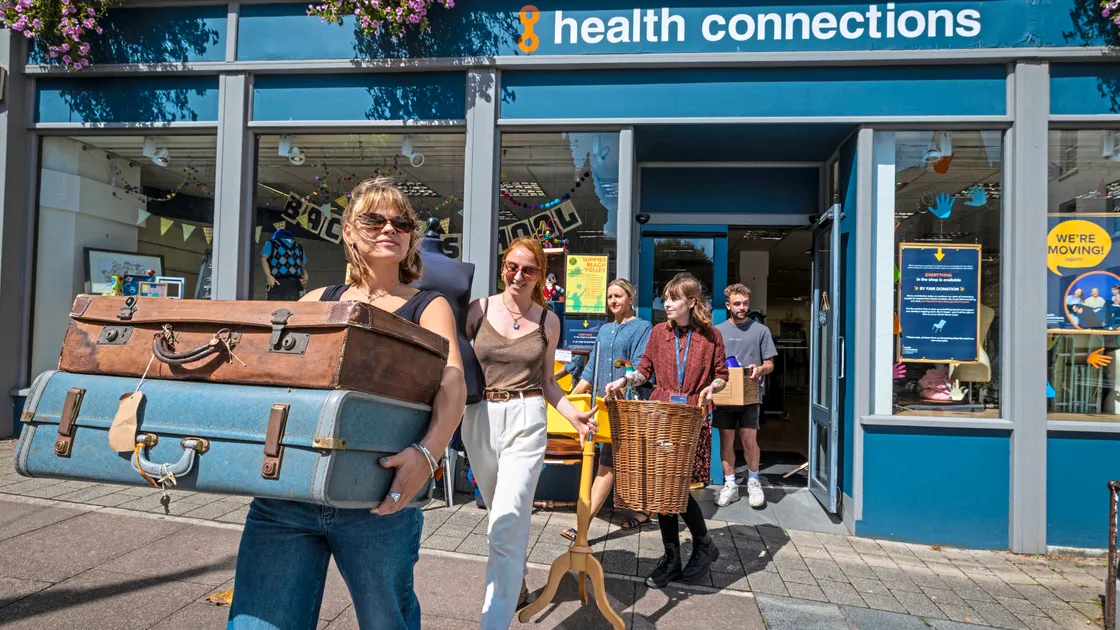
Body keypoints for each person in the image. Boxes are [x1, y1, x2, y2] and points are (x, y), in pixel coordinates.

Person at [228, 178, 467, 630]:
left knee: (386, 623)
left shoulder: (428, 305)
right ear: (349, 231)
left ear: (412, 237)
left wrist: (427, 454)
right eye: (374, 219)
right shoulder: (317, 300)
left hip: (377, 498)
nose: (388, 228)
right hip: (289, 495)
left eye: (401, 222)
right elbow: (278, 381)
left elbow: (451, 385)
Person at [463, 237, 599, 630]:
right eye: (511, 266)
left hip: (526, 417)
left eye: (528, 269)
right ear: (502, 267)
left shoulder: (548, 321)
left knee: (506, 521)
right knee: (498, 517)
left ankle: (494, 621)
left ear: (540, 274)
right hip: (480, 418)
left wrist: (573, 415)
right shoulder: (479, 310)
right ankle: (516, 576)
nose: (517, 275)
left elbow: (548, 383)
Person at [605, 272, 728, 589]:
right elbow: (643, 371)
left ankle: (700, 545)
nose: (667, 303)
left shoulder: (712, 336)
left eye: (674, 298)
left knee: (676, 489)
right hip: (661, 415)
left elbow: (722, 375)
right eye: (666, 298)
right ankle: (675, 557)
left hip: (690, 416)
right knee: (663, 489)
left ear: (691, 302)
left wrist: (713, 388)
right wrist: (624, 380)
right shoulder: (659, 332)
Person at [556, 279, 655, 542]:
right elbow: (590, 372)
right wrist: (565, 402)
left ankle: (583, 527)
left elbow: (639, 368)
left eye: (619, 296)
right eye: (610, 296)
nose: (613, 301)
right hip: (602, 407)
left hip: (626, 407)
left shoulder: (643, 328)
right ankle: (643, 510)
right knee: (618, 462)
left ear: (630, 298)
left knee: (607, 464)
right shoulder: (604, 331)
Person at [714, 284, 778, 509]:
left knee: (749, 440)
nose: (742, 308)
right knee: (726, 441)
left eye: (745, 303)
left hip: (751, 395)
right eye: (737, 304)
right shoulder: (718, 331)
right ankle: (730, 484)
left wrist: (760, 369)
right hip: (725, 395)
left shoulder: (761, 331)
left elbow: (770, 363)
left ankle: (753, 481)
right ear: (728, 305)